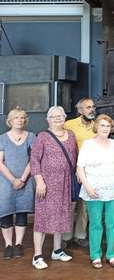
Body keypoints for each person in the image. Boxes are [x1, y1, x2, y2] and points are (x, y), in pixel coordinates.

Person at [30, 106, 78, 270]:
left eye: (60, 116)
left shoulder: (71, 135)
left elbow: (74, 156)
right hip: (47, 184)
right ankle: (37, 255)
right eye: (54, 116)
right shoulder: (42, 136)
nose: (58, 118)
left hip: (65, 182)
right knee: (42, 218)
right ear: (48, 120)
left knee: (62, 216)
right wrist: (39, 180)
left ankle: (57, 250)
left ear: (65, 118)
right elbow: (34, 160)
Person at [77, 114, 114, 269]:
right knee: (96, 223)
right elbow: (80, 168)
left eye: (108, 126)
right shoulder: (88, 145)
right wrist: (87, 186)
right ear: (96, 127)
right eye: (102, 125)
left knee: (112, 223)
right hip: (94, 190)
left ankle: (111, 254)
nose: (105, 128)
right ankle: (95, 255)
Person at [0, 107, 35, 259]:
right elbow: (0, 162)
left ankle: (19, 244)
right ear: (10, 121)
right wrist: (13, 179)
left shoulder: (31, 136)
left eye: (22, 118)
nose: (20, 120)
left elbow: (33, 160)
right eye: (16, 118)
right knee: (5, 212)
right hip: (6, 181)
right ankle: (8, 245)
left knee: (22, 212)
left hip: (25, 181)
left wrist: (22, 179)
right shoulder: (2, 138)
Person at [63, 97, 96, 248]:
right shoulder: (69, 125)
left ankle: (80, 235)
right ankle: (66, 236)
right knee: (71, 204)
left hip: (91, 171)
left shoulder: (97, 126)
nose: (92, 109)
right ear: (80, 110)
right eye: (88, 107)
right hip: (72, 170)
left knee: (85, 205)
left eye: (93, 107)